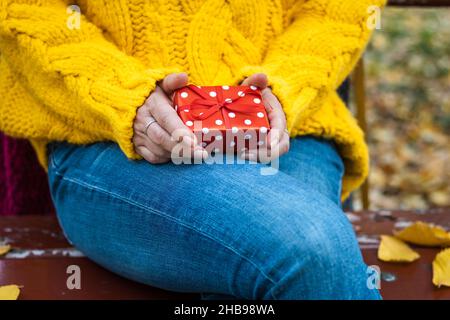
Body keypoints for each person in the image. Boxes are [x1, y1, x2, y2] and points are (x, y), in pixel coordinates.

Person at [0, 0, 385, 299]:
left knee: (288, 269)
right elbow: (25, 11)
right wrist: (119, 96)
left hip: (290, 129)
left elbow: (340, 10)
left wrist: (291, 85)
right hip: (109, 142)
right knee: (310, 248)